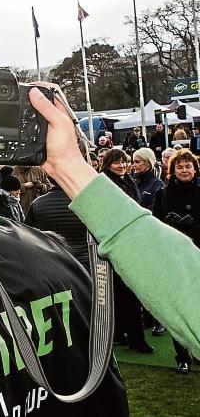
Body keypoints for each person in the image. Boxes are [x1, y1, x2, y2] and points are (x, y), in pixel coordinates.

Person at [27, 84, 200, 362]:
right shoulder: (149, 190)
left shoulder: (137, 185)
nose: (124, 166)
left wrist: (67, 166)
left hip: (95, 261)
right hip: (95, 261)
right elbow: (184, 277)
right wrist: (66, 165)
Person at [151, 149, 200, 374]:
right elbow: (154, 225)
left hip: (196, 254)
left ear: (195, 169)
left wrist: (193, 225)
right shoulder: (162, 194)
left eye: (188, 166)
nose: (184, 170)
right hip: (172, 256)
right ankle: (182, 356)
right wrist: (169, 226)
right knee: (177, 307)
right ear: (172, 170)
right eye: (179, 166)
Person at [99, 149, 152, 352]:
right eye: (117, 162)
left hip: (130, 241)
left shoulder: (128, 181)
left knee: (124, 292)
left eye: (124, 162)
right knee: (126, 292)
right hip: (116, 242)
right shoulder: (105, 183)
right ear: (108, 164)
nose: (122, 165)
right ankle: (135, 338)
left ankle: (123, 333)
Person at [25, 181, 90, 271]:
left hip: (53, 262)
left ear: (49, 180)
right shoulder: (86, 202)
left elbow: (28, 235)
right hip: (84, 263)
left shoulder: (37, 204)